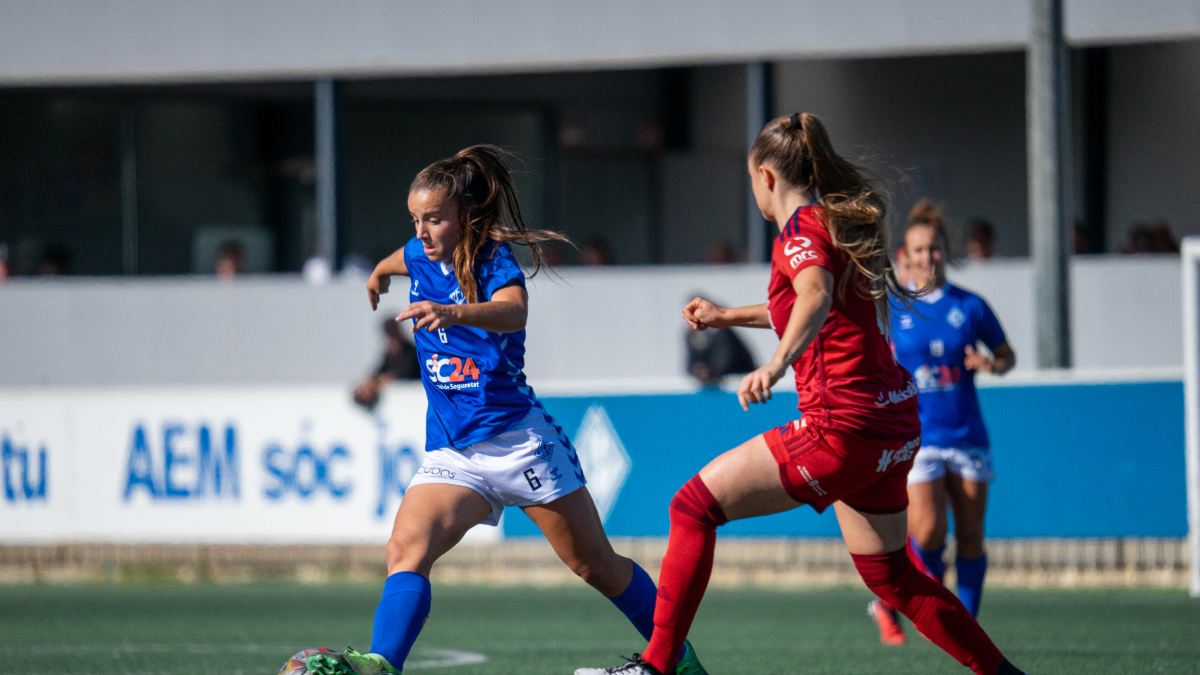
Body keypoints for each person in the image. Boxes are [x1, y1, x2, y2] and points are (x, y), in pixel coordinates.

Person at [577, 114, 1026, 675]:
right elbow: (804, 304)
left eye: (751, 180)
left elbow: (813, 295)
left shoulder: (800, 233)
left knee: (691, 507)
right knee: (894, 577)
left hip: (841, 425)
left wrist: (776, 364)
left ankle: (657, 667)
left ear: (766, 177)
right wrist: (725, 316)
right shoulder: (835, 224)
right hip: (892, 423)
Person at [307, 146, 706, 675]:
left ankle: (679, 660)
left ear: (465, 215)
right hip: (455, 453)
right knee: (405, 549)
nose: (422, 232)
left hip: (520, 443)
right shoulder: (420, 252)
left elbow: (514, 312)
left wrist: (451, 311)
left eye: (434, 219)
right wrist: (378, 275)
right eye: (415, 220)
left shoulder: (492, 259)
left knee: (596, 566)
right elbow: (399, 259)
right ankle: (382, 663)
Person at [867, 201, 1016, 646]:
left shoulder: (970, 306)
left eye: (934, 248)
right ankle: (907, 603)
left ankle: (966, 631)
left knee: (970, 535)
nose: (928, 256)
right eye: (919, 249)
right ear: (905, 255)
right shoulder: (893, 309)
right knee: (929, 531)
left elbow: (1007, 355)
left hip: (967, 434)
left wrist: (992, 364)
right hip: (919, 438)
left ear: (945, 251)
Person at [353, 318, 421, 411]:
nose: (392, 338)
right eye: (389, 335)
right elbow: (378, 371)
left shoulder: (412, 352)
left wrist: (377, 382)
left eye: (394, 334)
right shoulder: (389, 355)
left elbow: (403, 373)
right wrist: (369, 383)